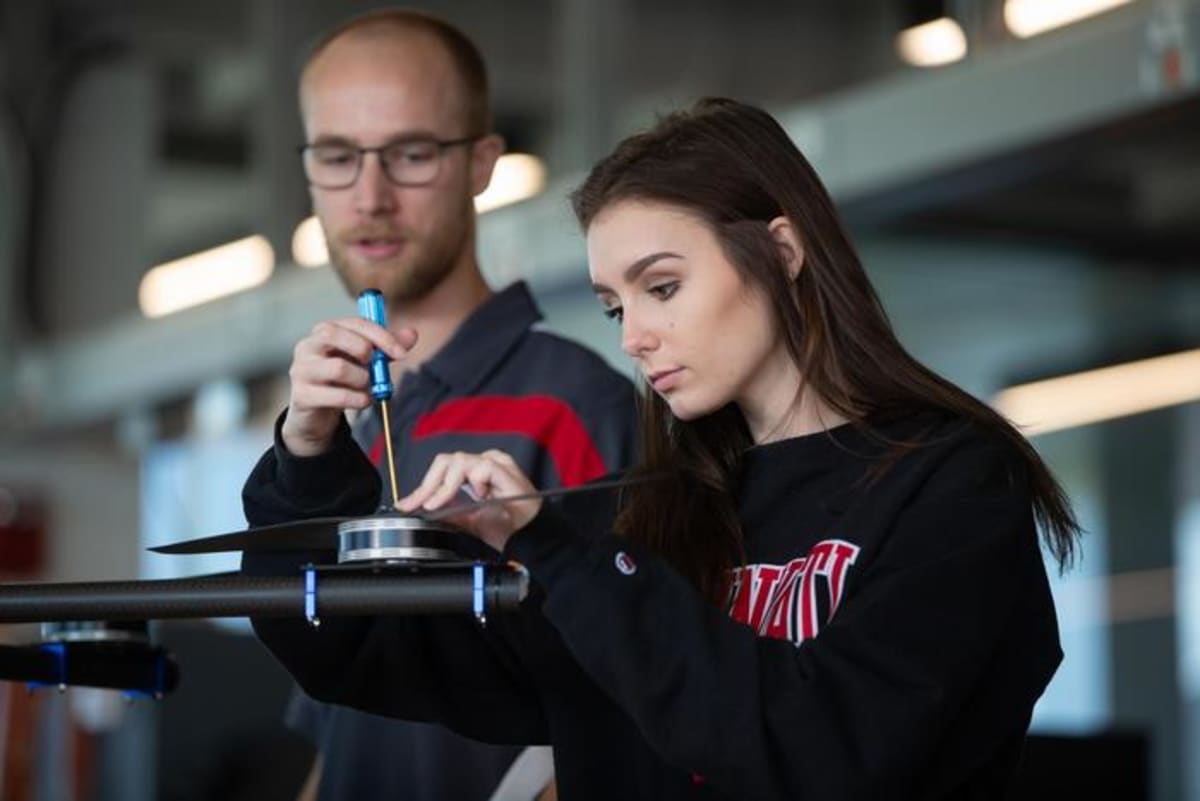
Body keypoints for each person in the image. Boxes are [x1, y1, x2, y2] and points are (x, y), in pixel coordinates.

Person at [247, 97, 1080, 800]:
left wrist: (566, 560)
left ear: (781, 252)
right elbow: (373, 656)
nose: (636, 337)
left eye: (663, 286)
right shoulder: (649, 514)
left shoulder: (955, 486)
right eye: (616, 307)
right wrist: (310, 450)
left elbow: (828, 752)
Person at [244, 8, 636, 801]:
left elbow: (636, 696)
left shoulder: (579, 404)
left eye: (412, 154)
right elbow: (342, 719)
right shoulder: (356, 425)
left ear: (483, 161)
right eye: (337, 156)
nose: (371, 195)